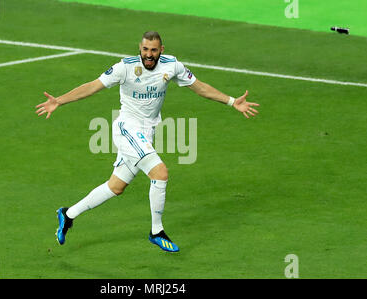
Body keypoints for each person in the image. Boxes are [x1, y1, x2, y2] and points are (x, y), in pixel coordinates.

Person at [35, 31, 259, 252]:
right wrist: (59, 101)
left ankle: (68, 214)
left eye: (153, 50)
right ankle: (156, 231)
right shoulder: (125, 67)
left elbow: (199, 86)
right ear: (139, 49)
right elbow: (93, 86)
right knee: (160, 172)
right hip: (127, 129)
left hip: (145, 134)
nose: (149, 55)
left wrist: (231, 101)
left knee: (116, 186)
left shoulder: (172, 66)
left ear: (161, 50)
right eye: (145, 50)